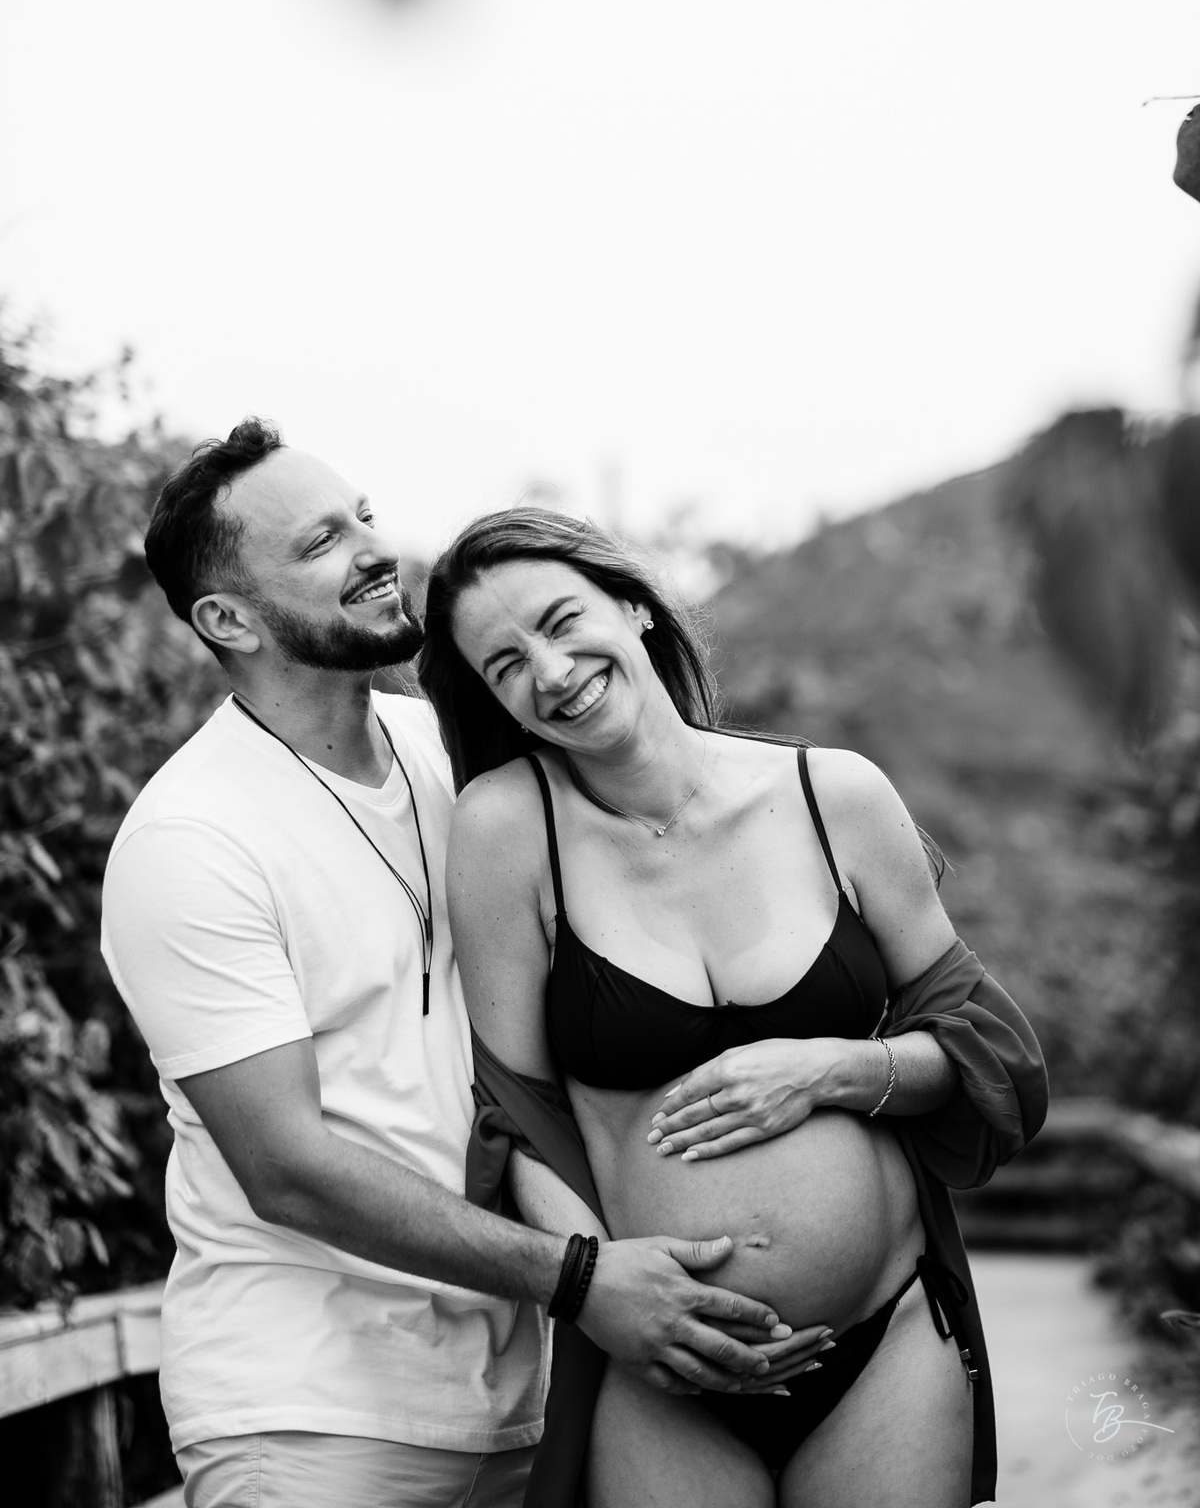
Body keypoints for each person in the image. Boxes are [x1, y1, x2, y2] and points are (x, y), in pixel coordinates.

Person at [101, 423, 817, 1508]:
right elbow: (284, 1165)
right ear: (227, 618)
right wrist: (581, 1280)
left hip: (531, 1391)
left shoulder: (463, 764)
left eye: (365, 518)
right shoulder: (191, 840)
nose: (372, 551)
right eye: (320, 544)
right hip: (312, 1416)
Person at [417, 507, 1050, 1508]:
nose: (548, 670)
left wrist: (832, 1070)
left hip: (885, 1340)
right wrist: (610, 1292)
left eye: (560, 620)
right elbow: (518, 1116)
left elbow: (985, 1046)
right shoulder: (508, 831)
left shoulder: (832, 795)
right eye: (504, 664)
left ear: (632, 605)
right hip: (666, 1367)